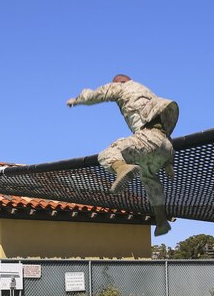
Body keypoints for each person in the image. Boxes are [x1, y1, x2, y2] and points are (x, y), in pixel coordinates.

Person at [67, 74, 179, 236]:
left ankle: (122, 169)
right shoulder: (148, 93)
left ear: (120, 82)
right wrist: (169, 164)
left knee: (108, 154)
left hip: (147, 139)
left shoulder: (123, 86)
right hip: (166, 147)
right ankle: (161, 221)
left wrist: (77, 100)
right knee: (149, 177)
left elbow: (97, 94)